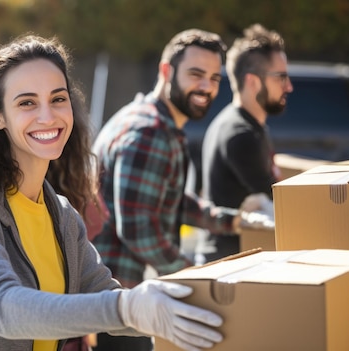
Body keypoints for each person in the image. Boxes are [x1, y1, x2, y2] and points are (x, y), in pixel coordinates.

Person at [0, 34, 224, 351]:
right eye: (27, 102)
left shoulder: (62, 215)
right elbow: (2, 307)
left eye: (58, 98)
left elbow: (102, 295)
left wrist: (179, 308)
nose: (47, 116)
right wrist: (127, 308)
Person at [91, 29, 242, 351]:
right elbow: (138, 229)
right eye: (196, 74)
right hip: (118, 301)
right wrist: (194, 277)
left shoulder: (148, 119)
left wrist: (230, 221)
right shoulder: (150, 132)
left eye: (215, 78)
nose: (206, 87)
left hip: (114, 299)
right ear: (165, 71)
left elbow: (163, 199)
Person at [201, 24, 292, 261]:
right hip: (231, 267)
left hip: (237, 259)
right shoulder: (240, 134)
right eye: (281, 77)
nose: (289, 86)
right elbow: (280, 208)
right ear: (252, 81)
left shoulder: (244, 125)